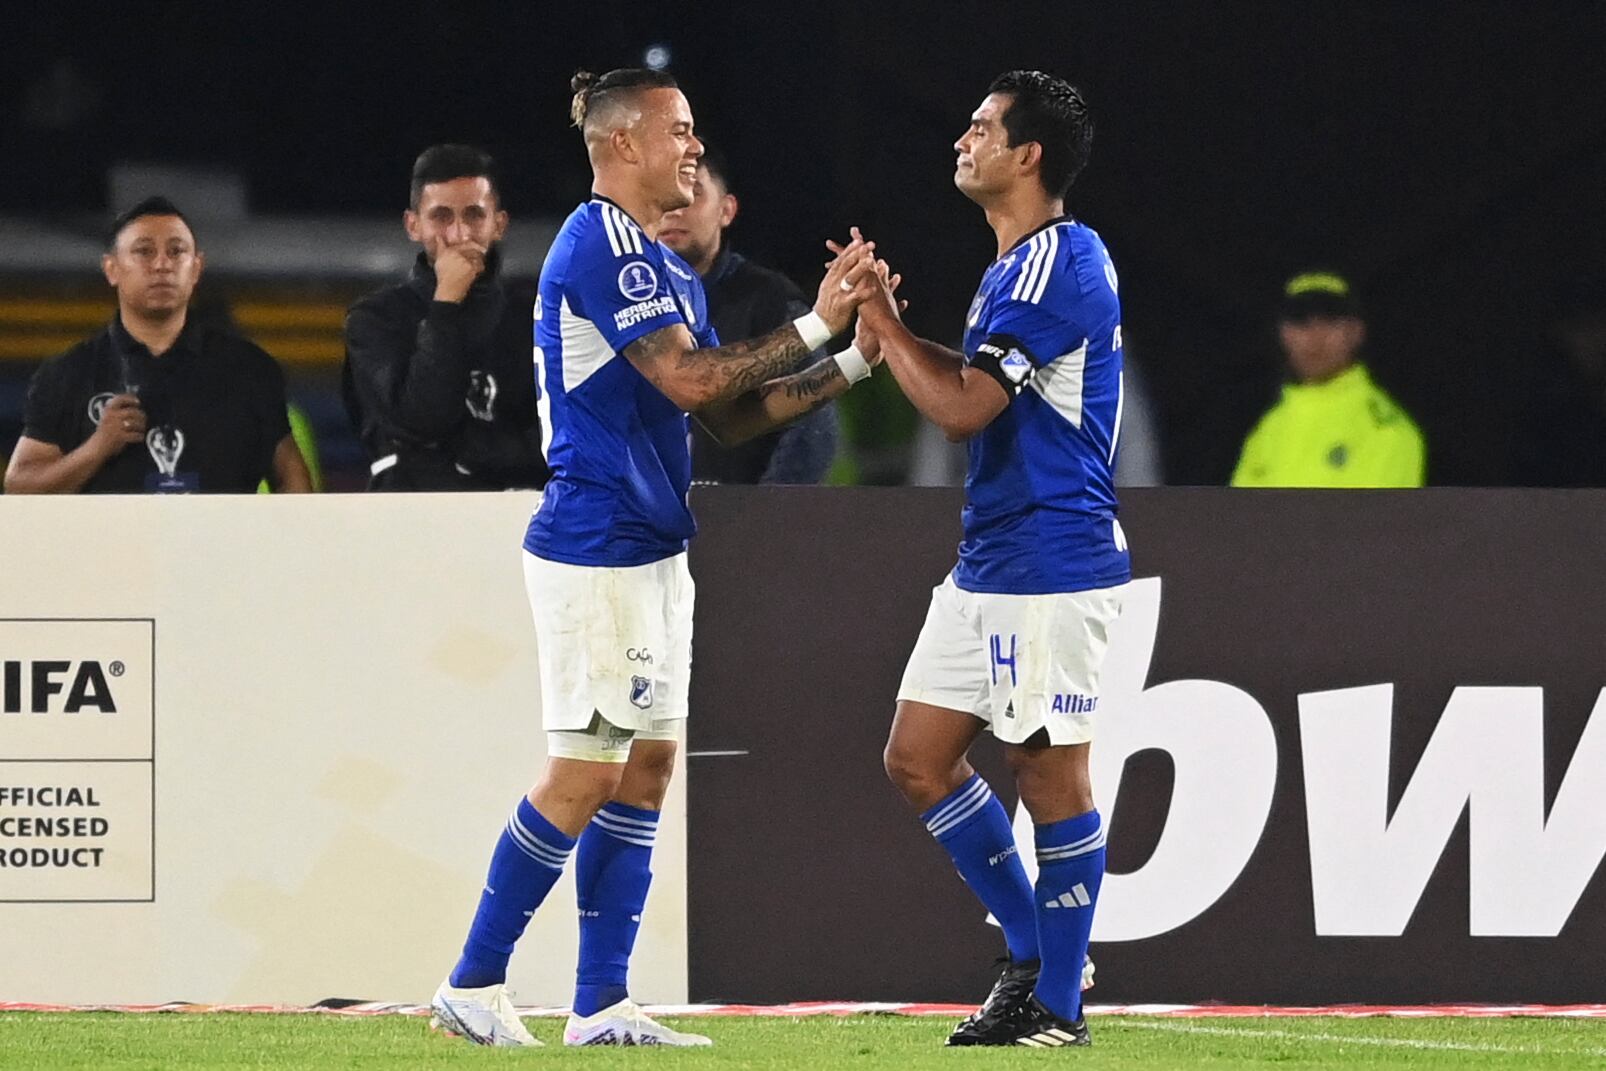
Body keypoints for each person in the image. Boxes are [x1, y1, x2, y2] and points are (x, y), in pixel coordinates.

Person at [428, 67, 884, 1048]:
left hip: (649, 548)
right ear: (622, 144)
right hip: (594, 548)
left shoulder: (664, 265)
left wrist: (847, 362)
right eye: (678, 128)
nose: (692, 146)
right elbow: (688, 379)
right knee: (586, 771)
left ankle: (600, 1003)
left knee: (643, 769)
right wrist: (813, 320)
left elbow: (725, 412)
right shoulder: (601, 245)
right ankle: (471, 982)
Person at [853, 70, 1127, 1048]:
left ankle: (1057, 1004)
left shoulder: (1063, 258)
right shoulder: (1013, 267)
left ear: (1028, 155)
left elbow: (969, 409)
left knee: (1047, 774)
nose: (962, 139)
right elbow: (973, 381)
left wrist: (883, 329)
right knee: (917, 758)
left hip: (1052, 554)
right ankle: (1032, 951)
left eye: (981, 127)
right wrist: (889, 325)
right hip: (991, 559)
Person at [5, 197, 311, 494]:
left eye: (176, 251)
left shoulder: (250, 369)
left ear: (196, 268)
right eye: (144, 251)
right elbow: (19, 486)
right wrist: (96, 449)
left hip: (219, 546)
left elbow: (291, 478)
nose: (162, 264)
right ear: (111, 268)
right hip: (110, 547)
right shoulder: (68, 373)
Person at [342, 145, 549, 491]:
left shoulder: (537, 317)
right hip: (410, 520)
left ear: (499, 223)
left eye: (474, 215)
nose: (458, 234)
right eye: (441, 216)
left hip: (515, 517)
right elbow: (421, 419)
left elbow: (559, 438)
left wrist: (465, 450)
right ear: (413, 225)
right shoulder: (375, 320)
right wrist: (447, 301)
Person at [660, 145, 838, 483]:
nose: (674, 209)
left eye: (693, 192)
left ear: (726, 211)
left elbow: (811, 429)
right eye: (664, 195)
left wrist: (764, 520)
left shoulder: (772, 303)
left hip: (739, 523)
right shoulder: (622, 303)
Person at [1230, 272, 1424, 487]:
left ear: (1356, 332)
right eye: (1301, 321)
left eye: (1330, 321)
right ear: (1284, 334)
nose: (1315, 337)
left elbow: (1373, 518)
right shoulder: (1268, 430)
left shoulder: (1385, 429)